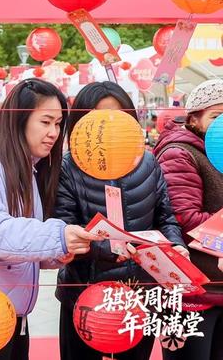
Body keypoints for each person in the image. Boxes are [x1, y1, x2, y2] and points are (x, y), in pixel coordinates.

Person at [0, 79, 103, 360]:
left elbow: (23, 242)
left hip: (10, 309)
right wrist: (57, 237)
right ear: (19, 119)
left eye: (58, 124)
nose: (53, 133)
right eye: (45, 122)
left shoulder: (28, 167)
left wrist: (57, 253)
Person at [55, 81, 187, 360]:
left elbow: (166, 217)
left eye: (119, 117)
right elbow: (63, 229)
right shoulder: (67, 168)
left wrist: (175, 246)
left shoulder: (148, 163)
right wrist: (107, 249)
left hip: (140, 294)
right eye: (99, 119)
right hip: (84, 293)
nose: (110, 127)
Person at [154, 79, 223, 360]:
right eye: (216, 116)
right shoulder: (179, 153)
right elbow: (185, 219)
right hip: (189, 290)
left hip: (216, 286)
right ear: (194, 119)